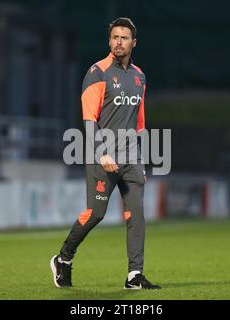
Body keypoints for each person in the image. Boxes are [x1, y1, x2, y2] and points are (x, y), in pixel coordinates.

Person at [50, 17, 161, 290]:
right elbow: (89, 120)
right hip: (104, 156)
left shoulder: (140, 76)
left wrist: (141, 157)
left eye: (124, 37)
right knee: (96, 213)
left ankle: (134, 276)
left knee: (136, 215)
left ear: (133, 42)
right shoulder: (97, 72)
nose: (118, 42)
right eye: (114, 37)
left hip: (132, 156)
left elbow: (140, 122)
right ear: (109, 40)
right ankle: (63, 259)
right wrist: (101, 153)